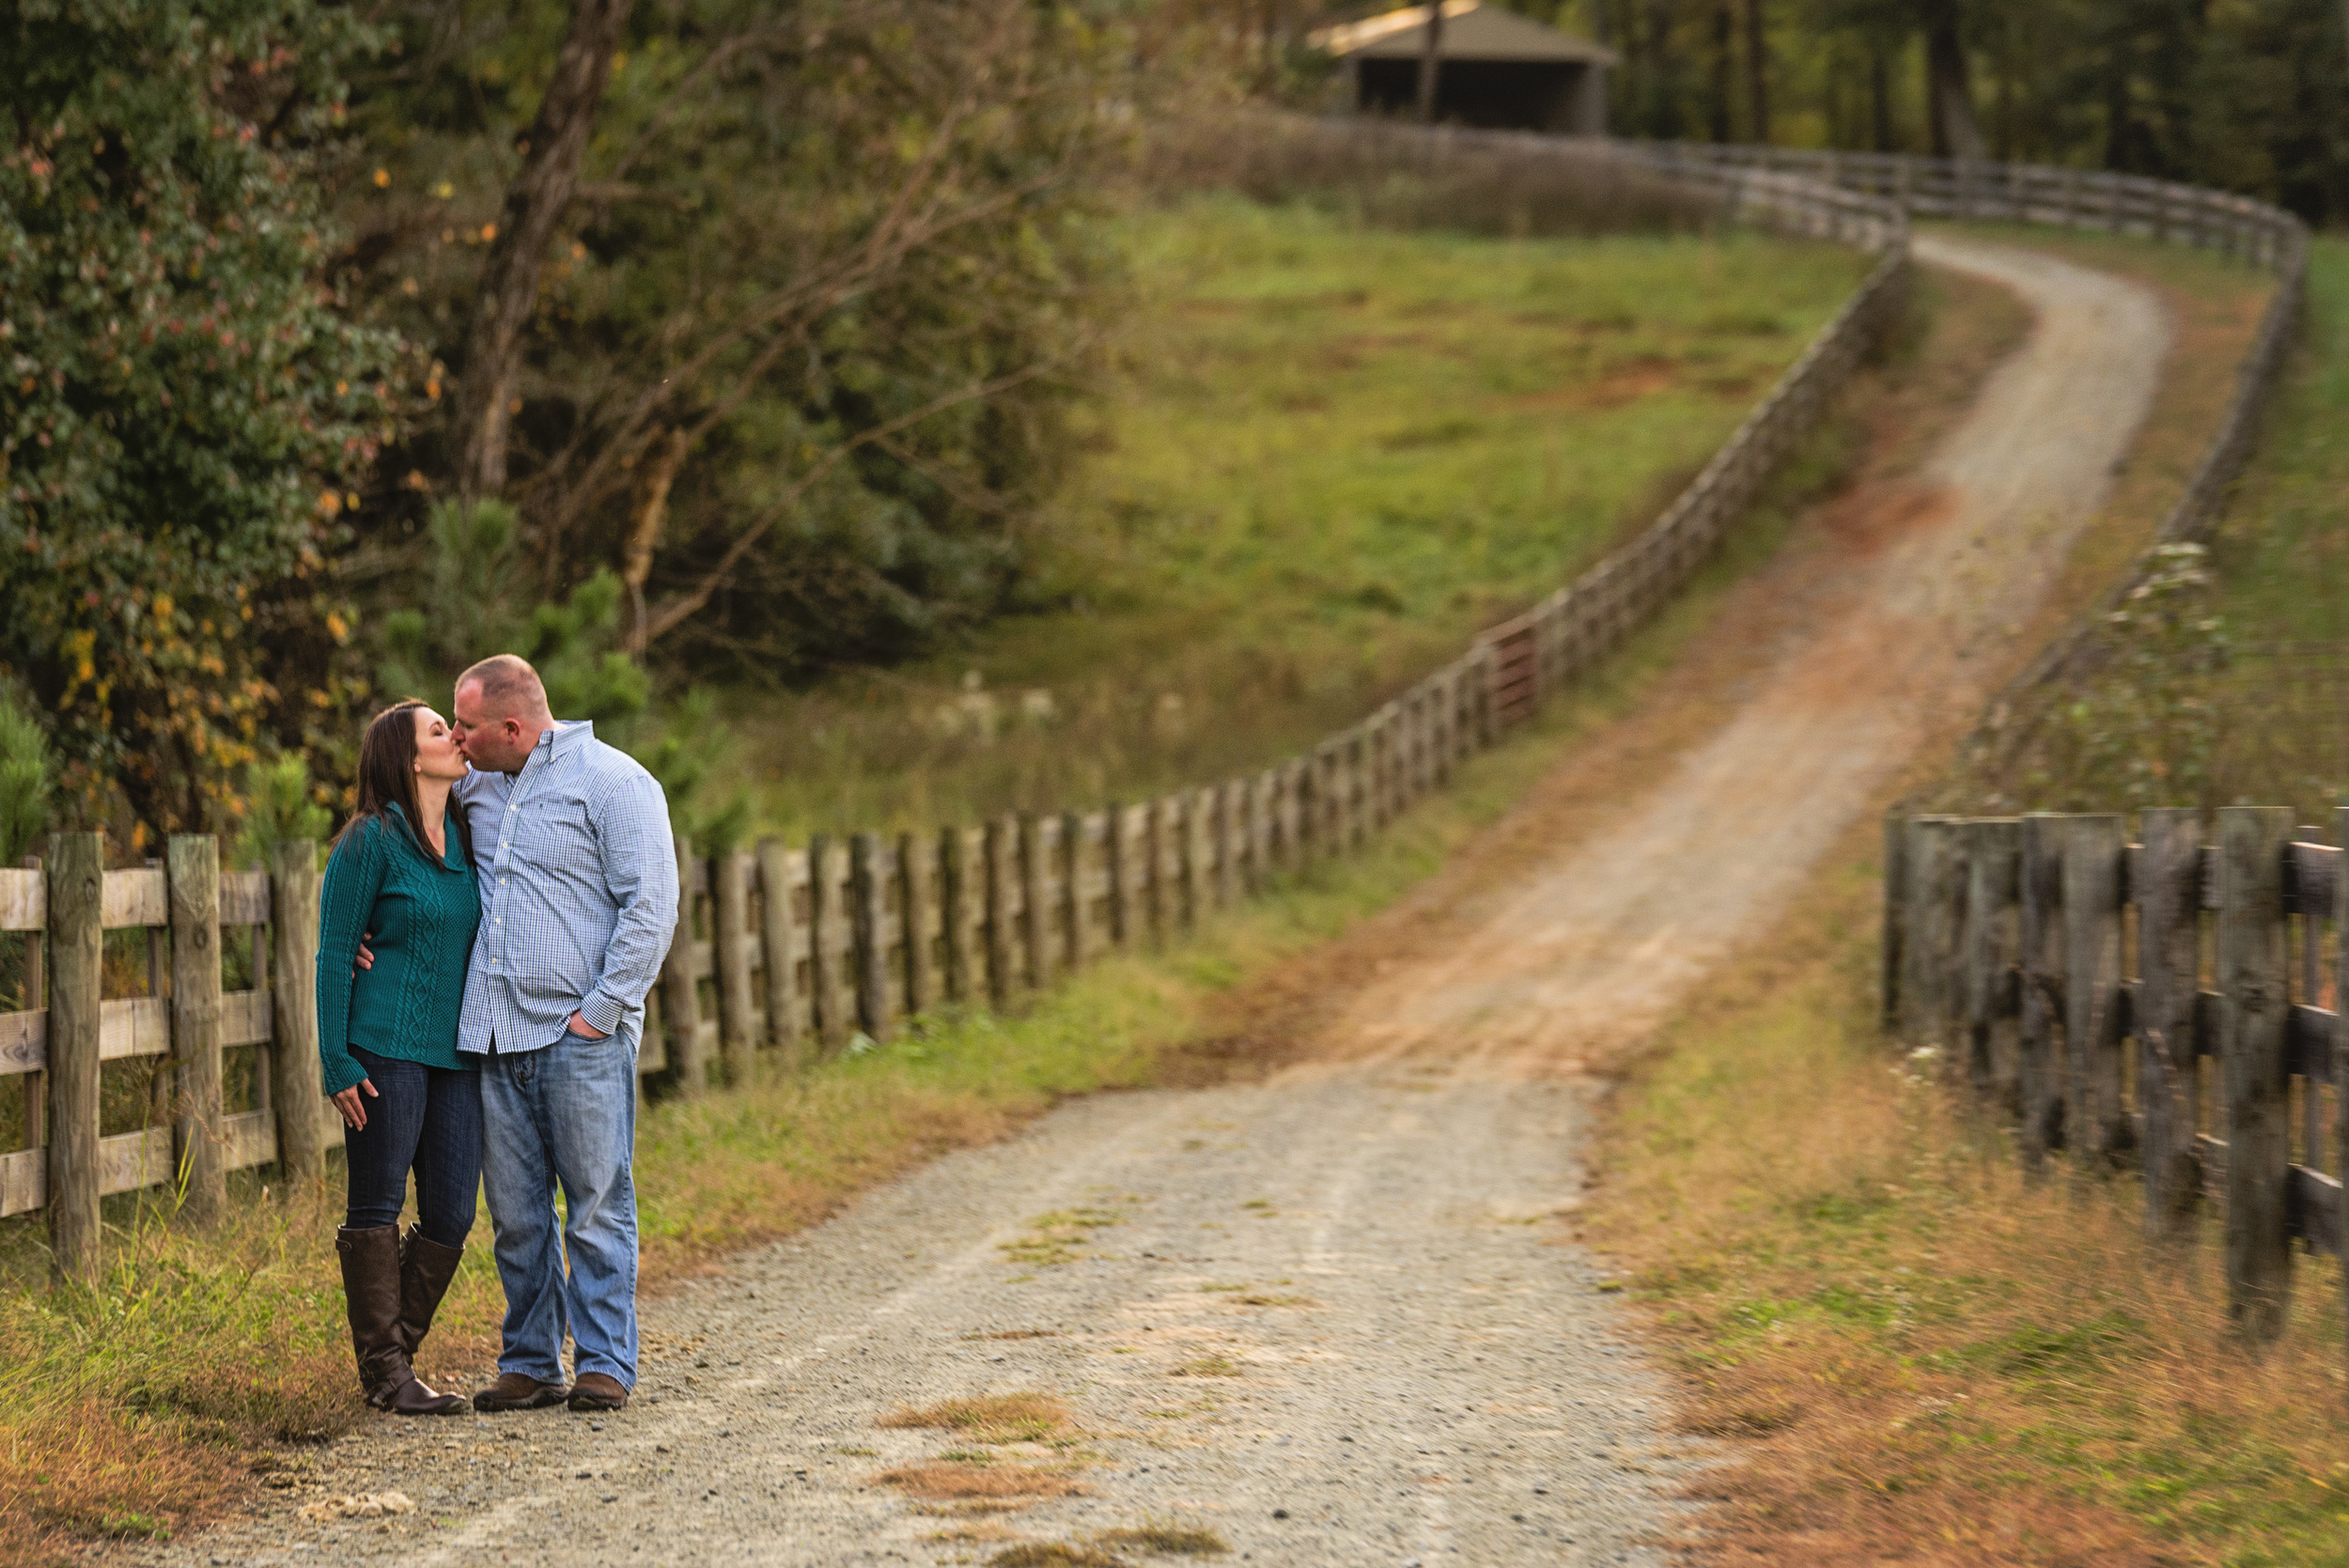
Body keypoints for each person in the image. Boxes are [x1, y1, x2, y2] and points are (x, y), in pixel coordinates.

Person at [449, 654, 678, 1414]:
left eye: (469, 725)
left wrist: (598, 1013)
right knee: (516, 1216)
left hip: (578, 1037)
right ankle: (531, 1360)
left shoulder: (614, 782)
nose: (457, 736)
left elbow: (651, 908)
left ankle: (606, 1360)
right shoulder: (474, 786)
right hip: (493, 1038)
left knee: (595, 1203)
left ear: (511, 726)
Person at [315, 700, 481, 1417]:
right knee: (377, 1204)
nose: (455, 735)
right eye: (439, 729)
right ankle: (387, 1374)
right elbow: (332, 954)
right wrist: (335, 1059)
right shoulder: (369, 841)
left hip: (455, 1054)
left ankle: (394, 1355)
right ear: (408, 757)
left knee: (451, 1211)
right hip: (382, 1048)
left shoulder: (470, 833)